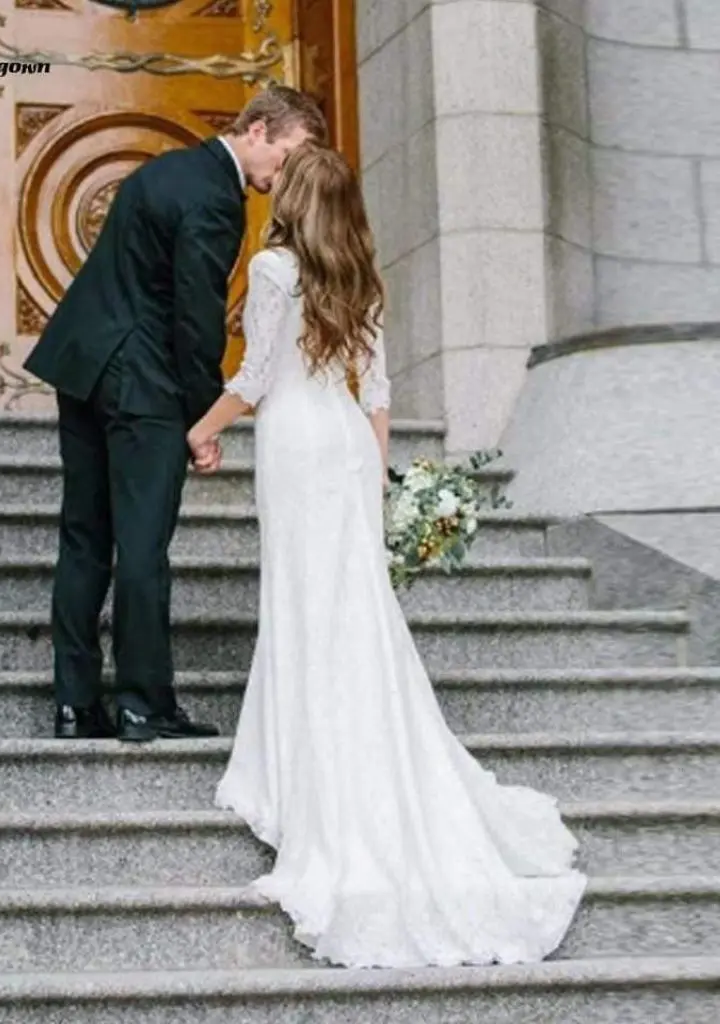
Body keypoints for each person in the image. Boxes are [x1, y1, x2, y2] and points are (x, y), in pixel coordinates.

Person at [186, 143, 587, 968]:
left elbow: (258, 376)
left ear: (291, 201)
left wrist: (204, 426)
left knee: (301, 607)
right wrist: (377, 489)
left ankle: (296, 779)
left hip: (296, 449)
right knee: (351, 611)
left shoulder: (272, 270)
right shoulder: (365, 279)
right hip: (346, 453)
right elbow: (378, 396)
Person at [22, 86, 328, 742]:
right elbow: (196, 320)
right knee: (140, 547)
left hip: (83, 367)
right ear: (258, 130)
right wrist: (204, 419)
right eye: (293, 151)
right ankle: (142, 703)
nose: (293, 170)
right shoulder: (217, 199)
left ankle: (75, 705)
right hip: (145, 385)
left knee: (84, 538)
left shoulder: (162, 169)